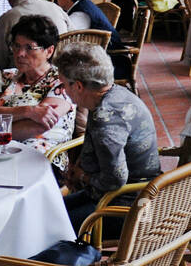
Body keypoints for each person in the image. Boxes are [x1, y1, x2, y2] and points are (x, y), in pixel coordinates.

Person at [55, 43, 161, 232]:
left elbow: (115, 180)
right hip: (127, 194)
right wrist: (79, 168)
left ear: (78, 86)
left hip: (129, 206)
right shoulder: (117, 93)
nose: (62, 90)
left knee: (50, 227)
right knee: (50, 212)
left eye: (63, 84)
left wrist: (82, 176)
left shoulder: (106, 119)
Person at [0, 15, 76, 156]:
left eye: (29, 48)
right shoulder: (2, 75)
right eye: (16, 46)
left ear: (49, 51)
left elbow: (37, 126)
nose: (20, 54)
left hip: (40, 156)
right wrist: (28, 111)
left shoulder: (63, 81)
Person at [0, 0, 72, 69]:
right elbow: (74, 36)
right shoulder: (56, 8)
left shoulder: (7, 18)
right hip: (62, 68)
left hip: (24, 72)